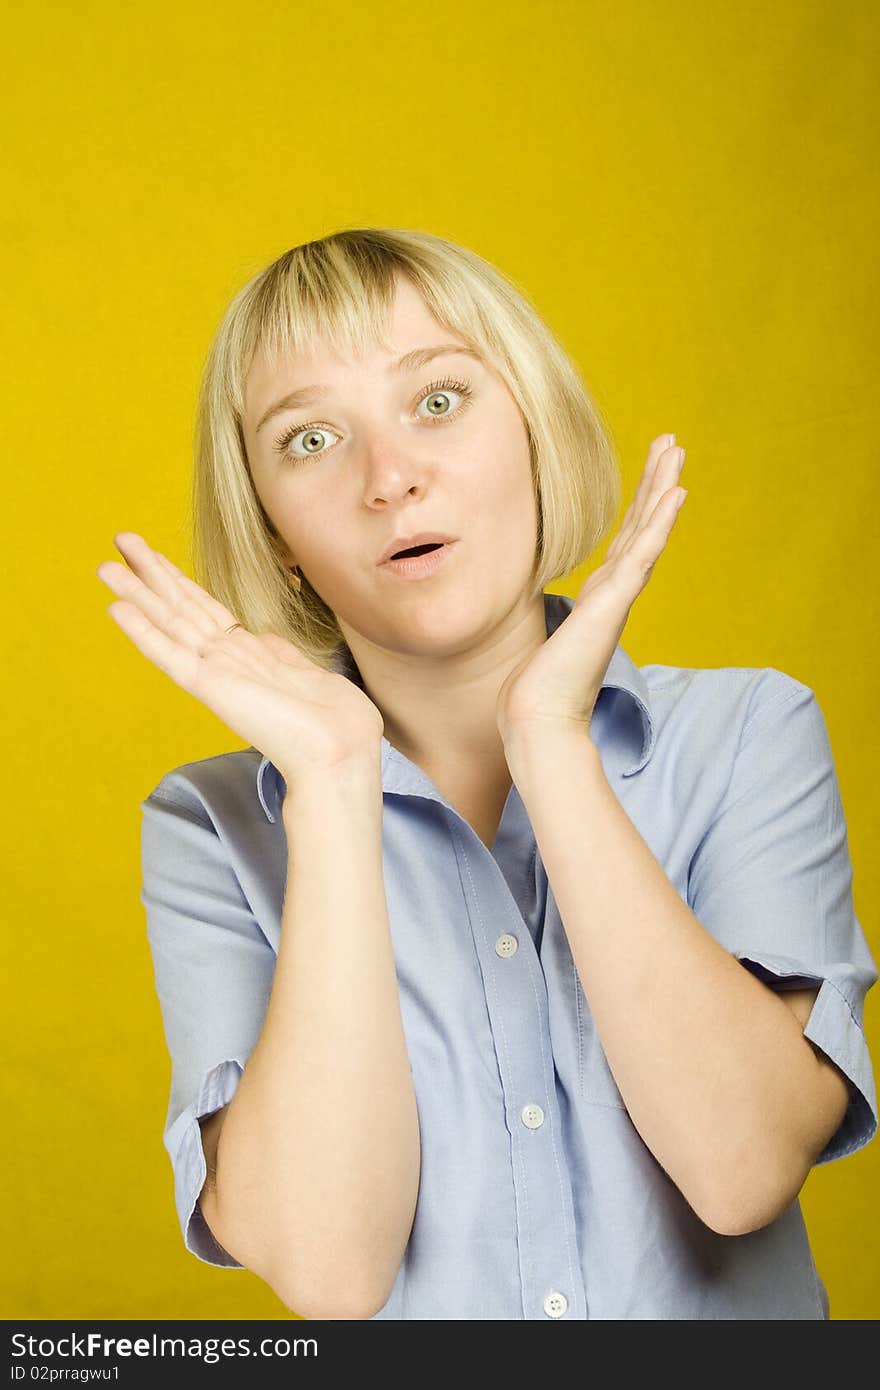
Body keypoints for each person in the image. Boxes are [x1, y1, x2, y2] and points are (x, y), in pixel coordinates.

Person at [96, 227, 878, 1320]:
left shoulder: (746, 732)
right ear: (272, 530)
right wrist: (327, 781)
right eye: (311, 438)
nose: (390, 477)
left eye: (436, 400)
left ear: (530, 427)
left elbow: (742, 1168)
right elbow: (330, 1273)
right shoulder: (215, 825)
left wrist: (548, 742)